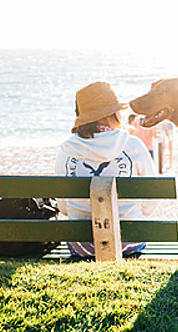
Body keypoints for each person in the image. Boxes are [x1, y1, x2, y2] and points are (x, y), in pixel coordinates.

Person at [55, 82, 158, 258]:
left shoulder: (67, 149)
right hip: (129, 241)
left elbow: (63, 207)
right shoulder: (132, 145)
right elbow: (151, 200)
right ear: (114, 113)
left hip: (81, 244)